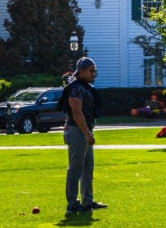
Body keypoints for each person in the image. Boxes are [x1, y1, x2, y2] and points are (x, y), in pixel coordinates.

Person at [63, 57, 107, 214]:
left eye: (95, 70)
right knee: (75, 168)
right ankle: (72, 204)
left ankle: (87, 201)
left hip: (85, 130)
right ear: (81, 71)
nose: (94, 74)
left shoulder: (86, 87)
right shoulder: (75, 88)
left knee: (88, 167)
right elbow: (76, 112)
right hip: (77, 131)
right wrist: (87, 133)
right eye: (91, 71)